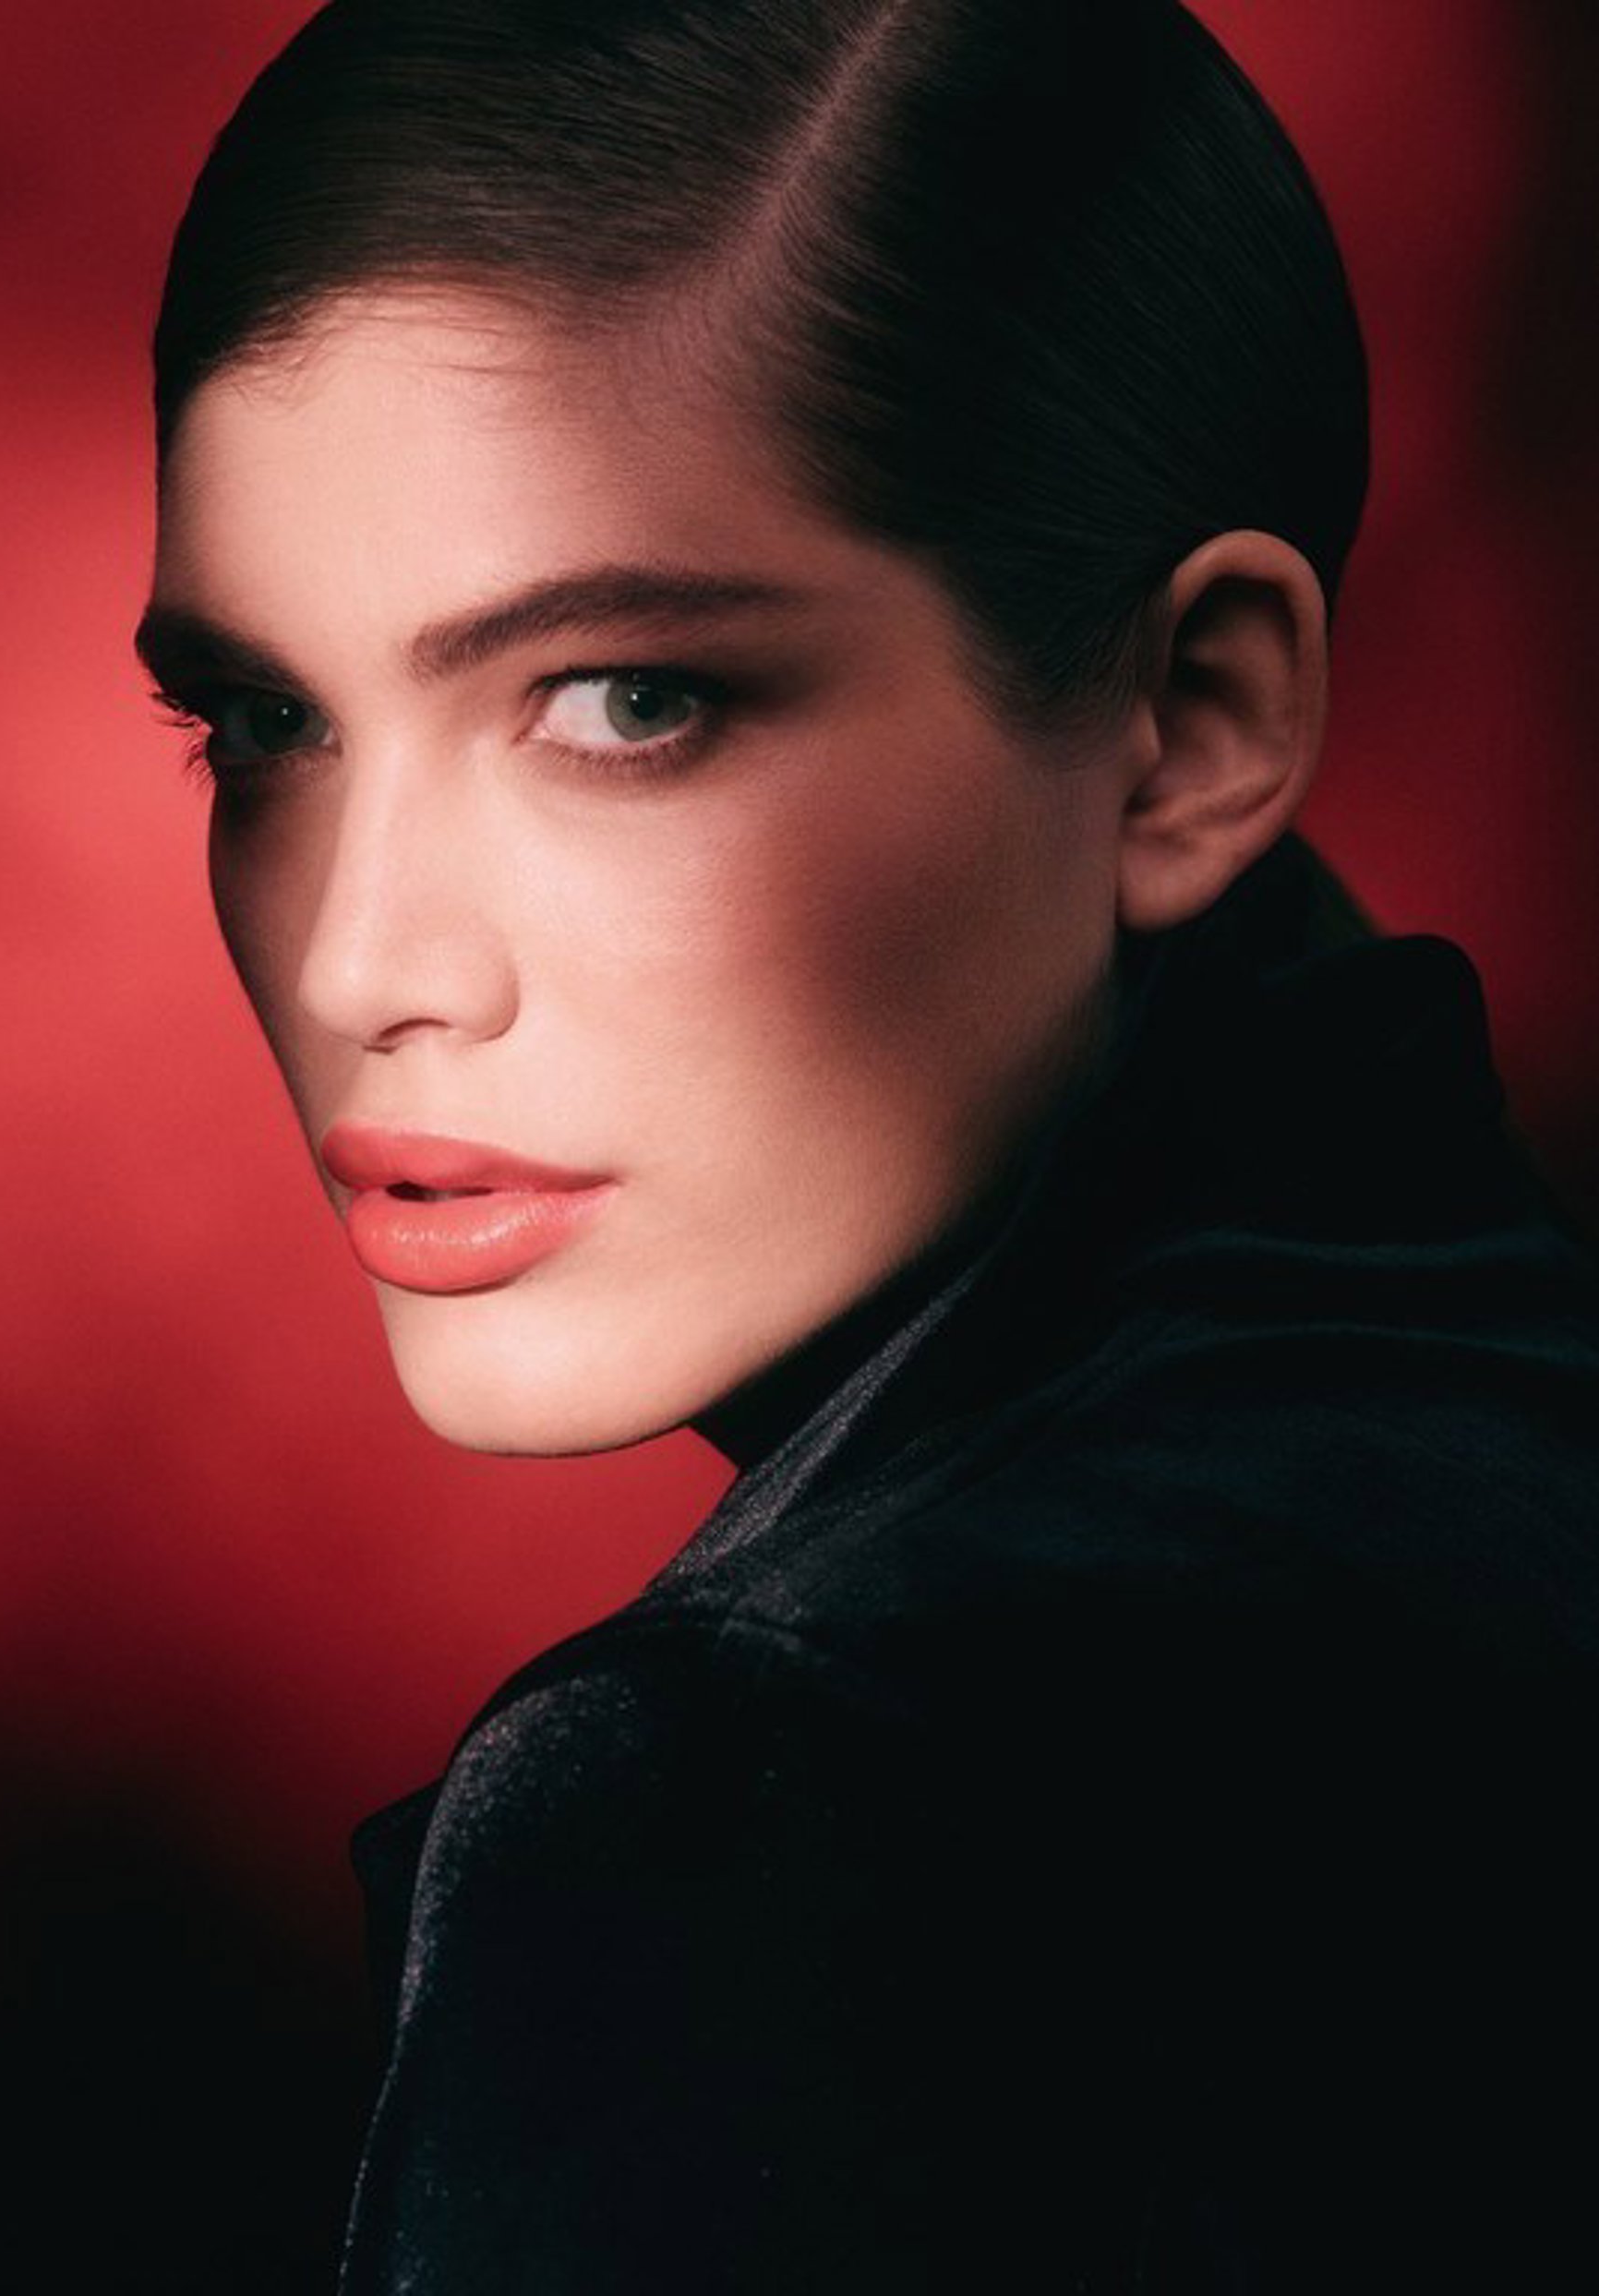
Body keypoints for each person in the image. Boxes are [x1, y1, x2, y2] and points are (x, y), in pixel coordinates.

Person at [138, 0, 1599, 2285]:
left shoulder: (770, 1800)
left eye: (630, 698)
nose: (357, 962)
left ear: (1195, 715)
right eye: (260, 721)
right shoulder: (1494, 1433)